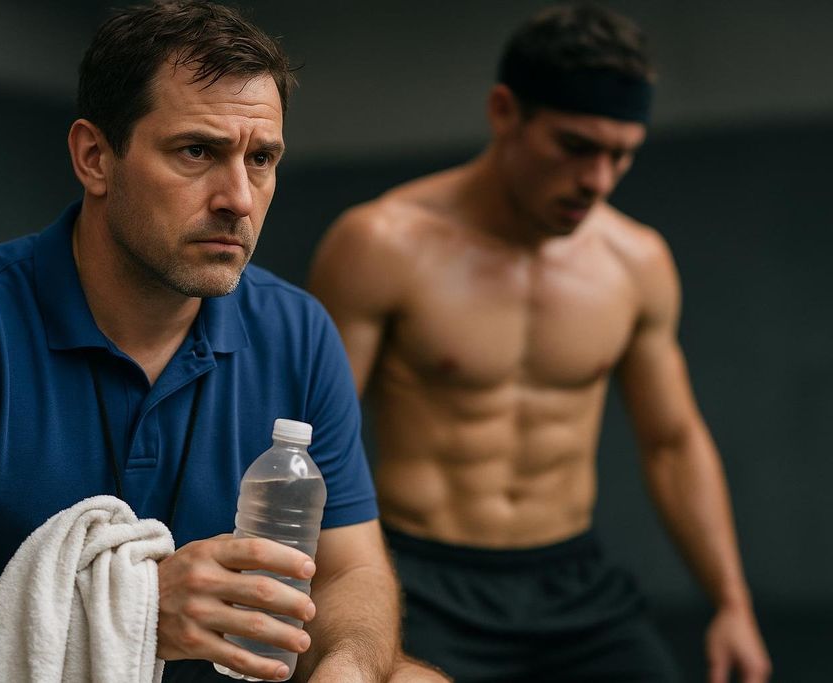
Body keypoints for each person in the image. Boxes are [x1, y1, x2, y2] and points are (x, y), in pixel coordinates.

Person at [0, 3, 442, 681]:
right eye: (197, 151)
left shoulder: (300, 330)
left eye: (261, 158)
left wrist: (345, 665)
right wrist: (135, 611)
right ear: (95, 158)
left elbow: (353, 569)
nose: (240, 197)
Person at [309, 3, 772, 682]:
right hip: (423, 578)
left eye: (622, 155)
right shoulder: (382, 245)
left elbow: (672, 442)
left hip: (570, 581)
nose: (599, 179)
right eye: (577, 146)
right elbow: (313, 443)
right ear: (505, 112)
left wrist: (733, 603)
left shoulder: (635, 261)